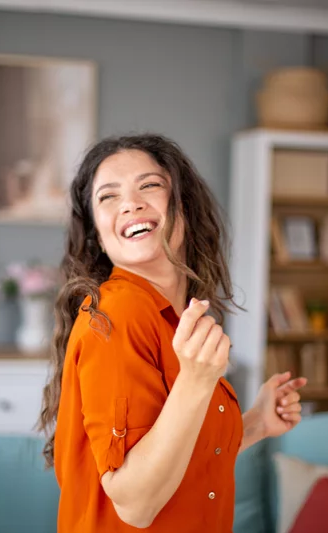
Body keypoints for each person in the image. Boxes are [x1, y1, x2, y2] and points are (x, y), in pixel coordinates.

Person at [37, 133, 307, 532]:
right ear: (97, 233)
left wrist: (256, 424)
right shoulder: (116, 315)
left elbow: (181, 456)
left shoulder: (175, 319)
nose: (131, 202)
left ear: (183, 207)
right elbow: (136, 503)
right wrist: (196, 382)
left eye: (150, 185)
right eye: (108, 196)